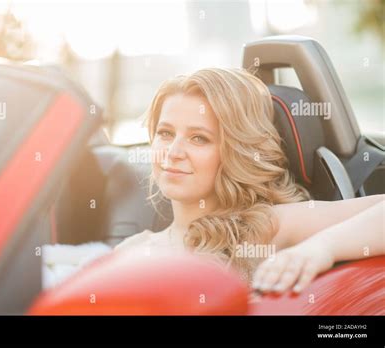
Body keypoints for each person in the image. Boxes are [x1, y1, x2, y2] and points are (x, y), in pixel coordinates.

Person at [114, 68, 384, 294]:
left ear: (236, 150)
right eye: (165, 133)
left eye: (199, 138)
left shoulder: (262, 228)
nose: (172, 153)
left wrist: (321, 248)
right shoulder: (132, 248)